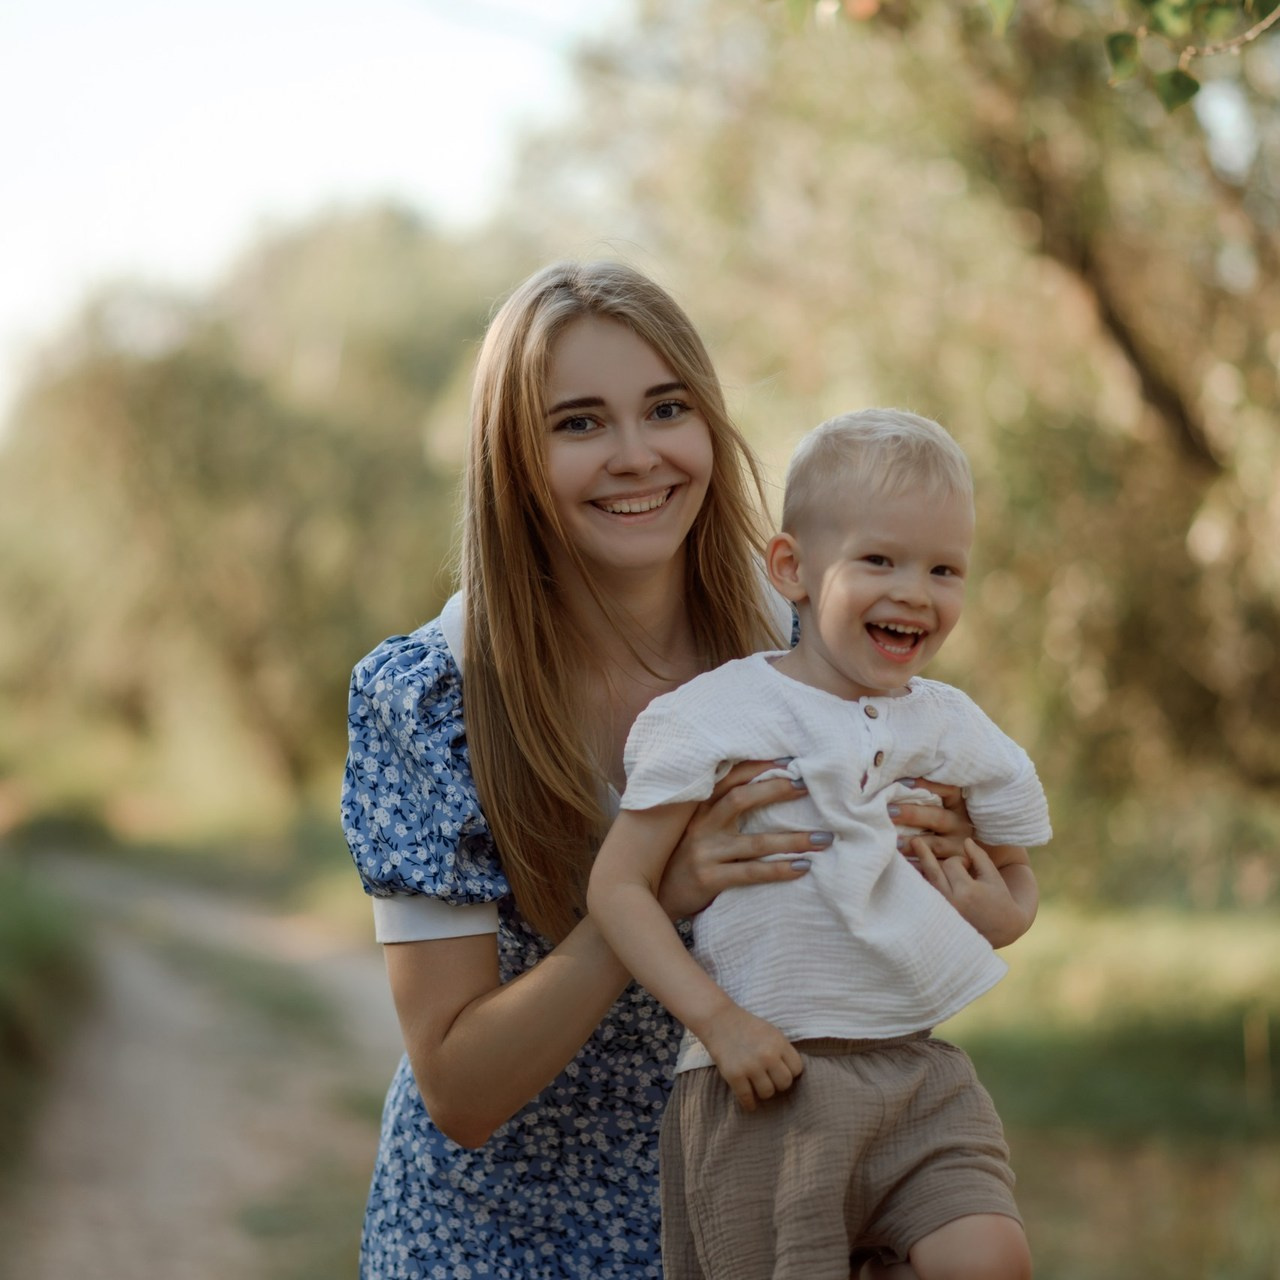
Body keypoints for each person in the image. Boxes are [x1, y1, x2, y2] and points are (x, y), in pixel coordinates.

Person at [341, 263, 1032, 1280]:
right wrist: (649, 902)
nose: (636, 457)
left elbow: (890, 920)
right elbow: (460, 1087)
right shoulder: (434, 695)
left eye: (665, 408)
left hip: (757, 1203)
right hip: (493, 1235)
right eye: (577, 423)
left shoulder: (815, 649)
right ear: (513, 460)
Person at [587, 408, 1051, 1280]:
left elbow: (1016, 873)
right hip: (769, 1079)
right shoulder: (718, 713)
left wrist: (1007, 910)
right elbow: (617, 890)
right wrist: (717, 1021)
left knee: (993, 1258)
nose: (915, 591)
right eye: (879, 560)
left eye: (944, 569)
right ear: (792, 569)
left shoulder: (953, 727)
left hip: (916, 1071)